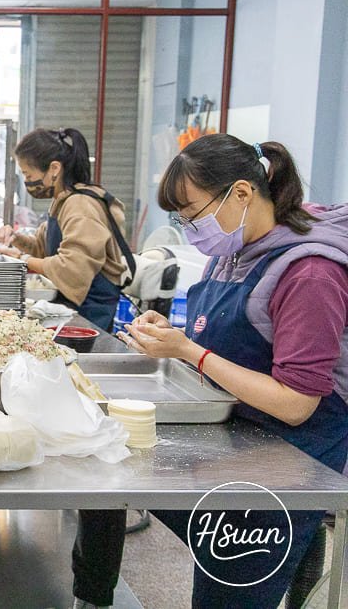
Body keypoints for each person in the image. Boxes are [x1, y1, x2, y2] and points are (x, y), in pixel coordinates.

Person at [80, 134, 348, 608]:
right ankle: (92, 596)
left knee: (230, 584)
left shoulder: (309, 273)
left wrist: (190, 352)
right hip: (238, 430)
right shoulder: (232, 252)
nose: (189, 229)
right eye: (180, 219)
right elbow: (236, 340)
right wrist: (176, 333)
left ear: (242, 193)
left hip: (292, 455)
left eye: (193, 214)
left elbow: (297, 403)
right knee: (106, 474)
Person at [0, 128, 134, 332]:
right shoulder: (63, 201)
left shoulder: (80, 205)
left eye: (27, 173)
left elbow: (71, 267)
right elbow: (42, 247)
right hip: (72, 308)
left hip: (90, 313)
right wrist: (15, 238)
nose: (27, 181)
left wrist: (21, 259)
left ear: (54, 169)